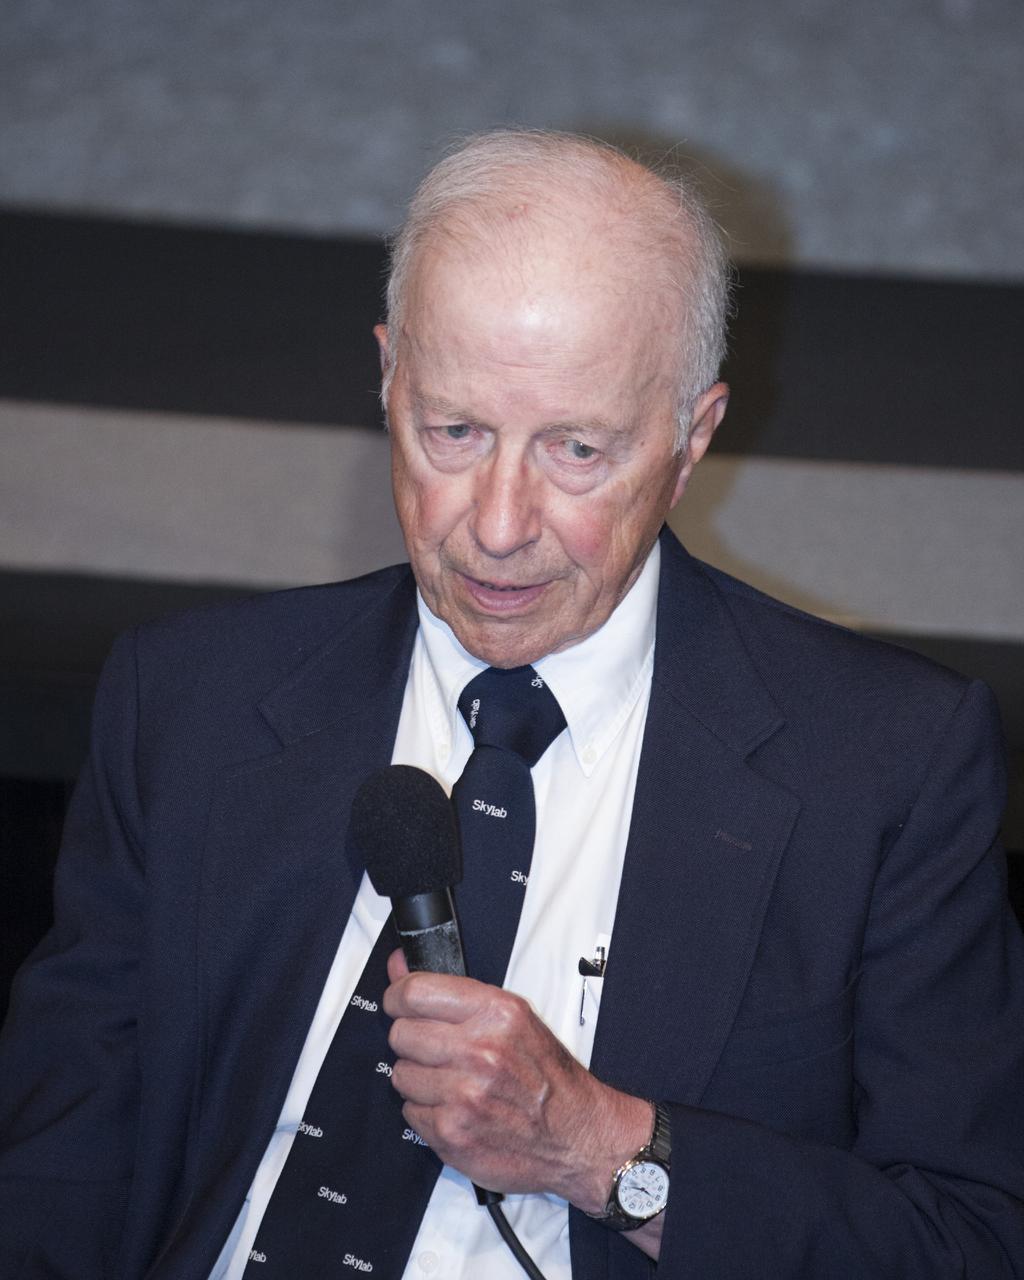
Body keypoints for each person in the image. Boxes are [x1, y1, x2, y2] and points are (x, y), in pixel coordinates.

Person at [1, 130, 1022, 1279]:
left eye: (576, 450)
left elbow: (972, 1239)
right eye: (453, 431)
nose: (494, 523)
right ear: (387, 376)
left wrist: (603, 1149)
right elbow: (58, 1172)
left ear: (690, 440)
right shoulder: (187, 703)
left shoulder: (883, 765)